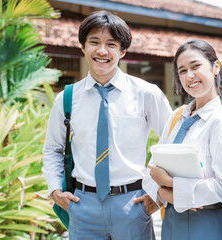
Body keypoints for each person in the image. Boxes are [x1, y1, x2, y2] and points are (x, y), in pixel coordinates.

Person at [42, 10, 172, 240]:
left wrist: (157, 194)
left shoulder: (146, 93)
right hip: (83, 204)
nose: (102, 51)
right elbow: (53, 148)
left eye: (111, 44)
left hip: (132, 203)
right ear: (82, 47)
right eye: (94, 42)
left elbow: (172, 142)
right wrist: (55, 191)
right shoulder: (67, 98)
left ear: (122, 51)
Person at [140, 39, 222, 240]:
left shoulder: (221, 123)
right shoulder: (177, 117)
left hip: (207, 225)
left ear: (215, 67)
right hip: (171, 224)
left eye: (195, 66)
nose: (189, 76)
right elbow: (151, 172)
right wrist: (168, 193)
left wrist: (170, 184)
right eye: (182, 71)